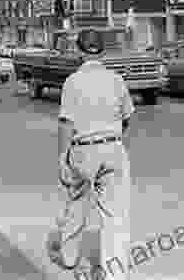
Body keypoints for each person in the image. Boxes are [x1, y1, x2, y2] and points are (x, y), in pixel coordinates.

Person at [47, 30, 133, 280]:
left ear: (79, 51)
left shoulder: (72, 82)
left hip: (83, 149)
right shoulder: (117, 80)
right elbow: (127, 117)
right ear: (102, 51)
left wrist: (62, 156)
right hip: (113, 147)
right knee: (115, 216)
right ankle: (115, 273)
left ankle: (70, 256)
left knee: (76, 203)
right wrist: (113, 140)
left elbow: (66, 123)